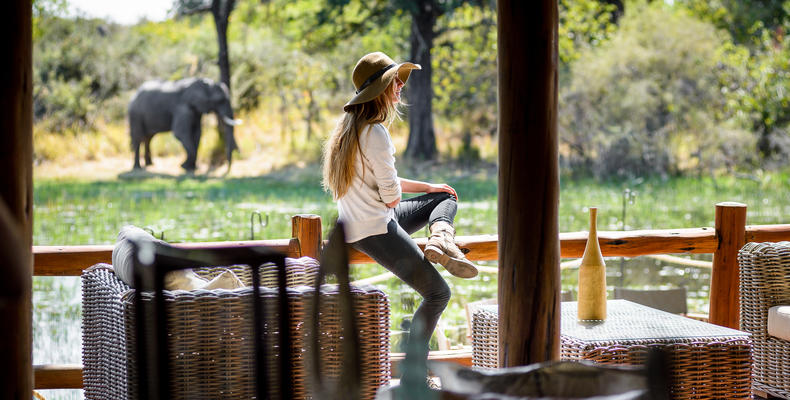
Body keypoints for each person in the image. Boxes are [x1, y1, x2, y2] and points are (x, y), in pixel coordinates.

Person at [321, 52, 479, 369]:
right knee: (438, 294)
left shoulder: (348, 129)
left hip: (357, 224)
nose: (401, 86)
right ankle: (412, 371)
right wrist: (401, 191)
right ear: (381, 89)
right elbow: (391, 197)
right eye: (396, 80)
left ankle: (441, 238)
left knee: (443, 197)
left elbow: (382, 183)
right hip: (376, 229)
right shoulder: (376, 133)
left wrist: (429, 187)